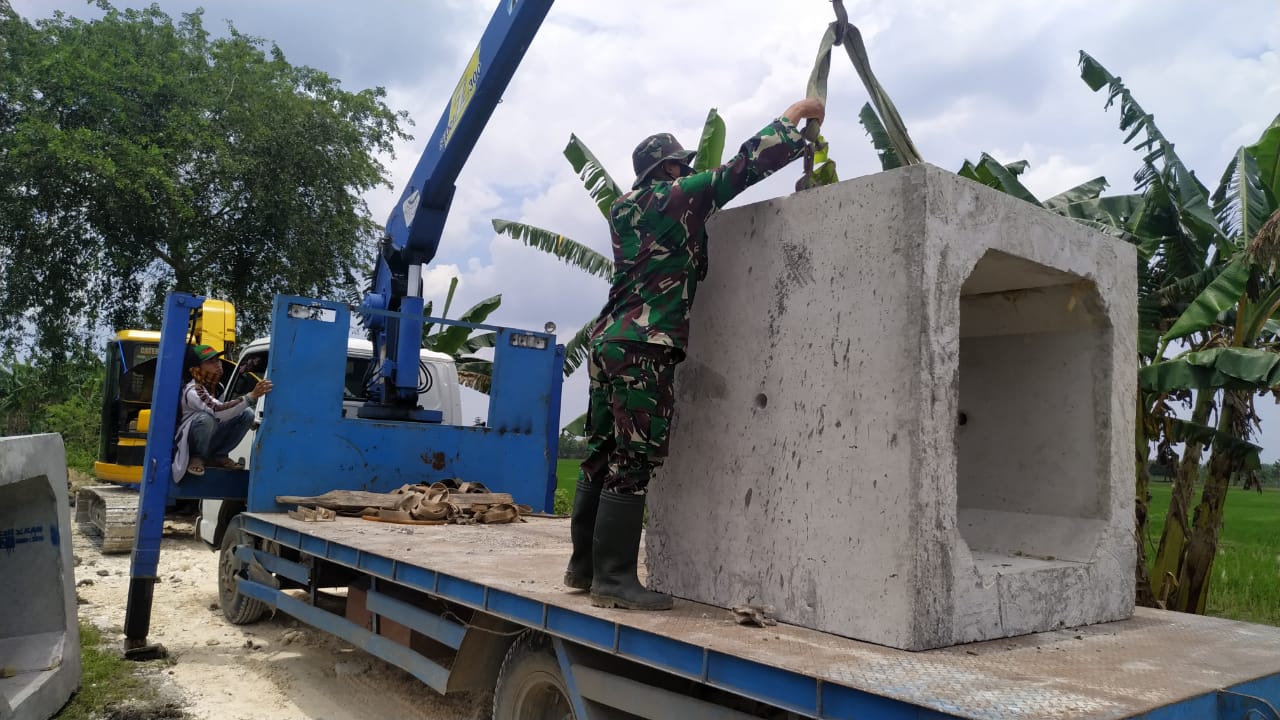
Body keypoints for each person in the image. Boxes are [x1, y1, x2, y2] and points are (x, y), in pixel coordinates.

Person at [566, 98, 826, 610]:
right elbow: (740, 170)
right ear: (665, 170)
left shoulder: (623, 209)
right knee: (635, 456)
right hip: (644, 344)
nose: (687, 169)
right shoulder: (673, 199)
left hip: (607, 340)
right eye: (680, 164)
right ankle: (613, 580)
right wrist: (793, 123)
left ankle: (583, 568)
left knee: (599, 452)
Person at [171, 343, 273, 480]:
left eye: (217, 360)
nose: (218, 364)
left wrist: (251, 420)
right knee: (206, 419)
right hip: (190, 442)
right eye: (211, 362)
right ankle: (197, 457)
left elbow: (224, 410)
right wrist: (251, 396)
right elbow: (218, 411)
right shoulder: (193, 390)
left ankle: (219, 456)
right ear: (196, 368)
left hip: (210, 435)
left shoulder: (217, 386)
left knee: (247, 414)